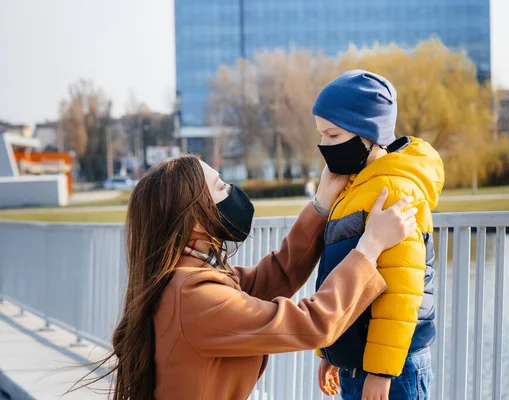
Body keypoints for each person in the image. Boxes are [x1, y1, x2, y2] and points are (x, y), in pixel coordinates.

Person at [72, 154, 419, 400]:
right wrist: (370, 247)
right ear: (195, 220)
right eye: (220, 187)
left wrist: (322, 205)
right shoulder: (194, 298)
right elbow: (313, 323)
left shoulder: (184, 277)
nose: (232, 192)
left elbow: (275, 275)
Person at [312, 70, 445, 400]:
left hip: (392, 370)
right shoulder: (354, 187)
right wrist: (331, 353)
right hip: (357, 364)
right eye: (322, 136)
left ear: (368, 132)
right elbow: (339, 277)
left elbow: (401, 293)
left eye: (333, 135)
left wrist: (381, 372)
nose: (325, 146)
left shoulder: (395, 191)